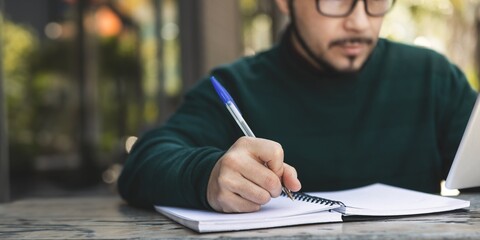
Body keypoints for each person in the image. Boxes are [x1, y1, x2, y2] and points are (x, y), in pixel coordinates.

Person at [118, 0, 478, 213]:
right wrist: (207, 175)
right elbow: (142, 164)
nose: (360, 21)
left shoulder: (431, 77)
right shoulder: (237, 86)